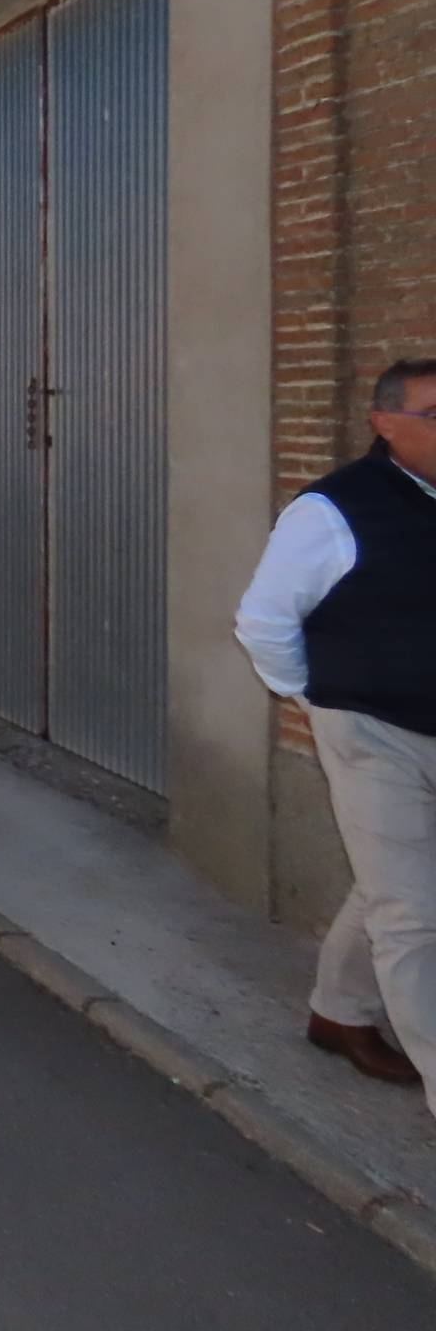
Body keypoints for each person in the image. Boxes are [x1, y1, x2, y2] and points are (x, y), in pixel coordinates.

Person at [235, 357, 436, 1106]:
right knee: (414, 915)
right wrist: (309, 695)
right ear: (384, 422)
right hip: (368, 727)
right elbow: (263, 620)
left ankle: (337, 1013)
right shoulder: (332, 511)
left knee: (396, 883)